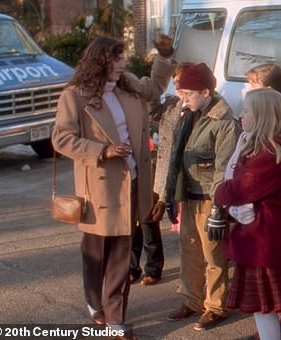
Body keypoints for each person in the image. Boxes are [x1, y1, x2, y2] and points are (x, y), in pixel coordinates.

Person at [51, 34, 176, 336]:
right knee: (95, 252)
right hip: (99, 187)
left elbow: (155, 87)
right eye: (117, 58)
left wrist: (164, 55)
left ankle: (115, 317)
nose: (122, 63)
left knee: (121, 252)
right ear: (101, 61)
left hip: (132, 181)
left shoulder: (129, 84)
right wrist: (102, 151)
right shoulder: (75, 96)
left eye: (123, 57)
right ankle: (95, 302)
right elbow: (61, 138)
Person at [213, 88, 281, 340]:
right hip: (261, 237)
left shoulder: (269, 153)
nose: (240, 115)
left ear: (262, 116)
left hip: (263, 240)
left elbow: (239, 188)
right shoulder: (264, 147)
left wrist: (220, 193)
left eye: (246, 111)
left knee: (265, 308)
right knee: (263, 309)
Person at [164, 62, 241, 331]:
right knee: (189, 250)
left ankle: (216, 305)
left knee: (213, 254)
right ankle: (193, 300)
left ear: (206, 91)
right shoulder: (189, 115)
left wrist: (220, 208)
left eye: (188, 93)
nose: (183, 98)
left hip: (210, 196)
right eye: (181, 92)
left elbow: (225, 166)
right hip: (190, 194)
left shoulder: (224, 122)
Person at [130, 63, 187, 286]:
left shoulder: (184, 106)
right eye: (176, 84)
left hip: (163, 172)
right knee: (132, 222)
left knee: (148, 220)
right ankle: (131, 266)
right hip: (141, 169)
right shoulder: (169, 104)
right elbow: (152, 110)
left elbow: (154, 114)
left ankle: (153, 267)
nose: (179, 88)